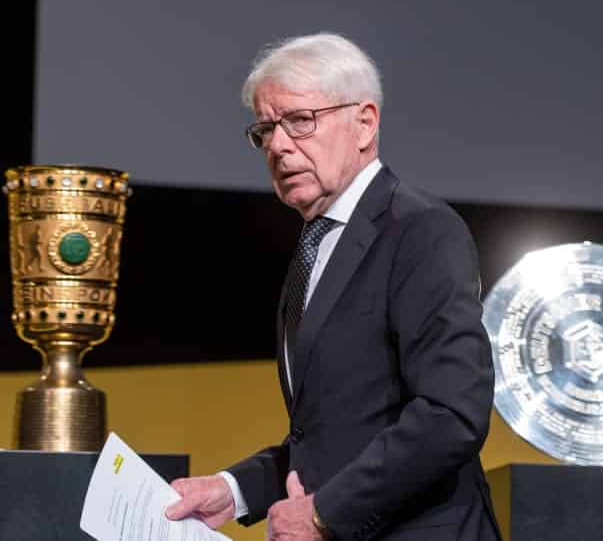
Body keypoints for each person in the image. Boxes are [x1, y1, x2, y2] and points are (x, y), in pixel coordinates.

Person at [165, 33, 500, 541]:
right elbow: (330, 437)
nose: (278, 145)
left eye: (300, 120)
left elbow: (451, 414)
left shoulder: (421, 229)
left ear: (364, 123)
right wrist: (232, 491)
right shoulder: (316, 244)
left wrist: (324, 512)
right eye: (265, 129)